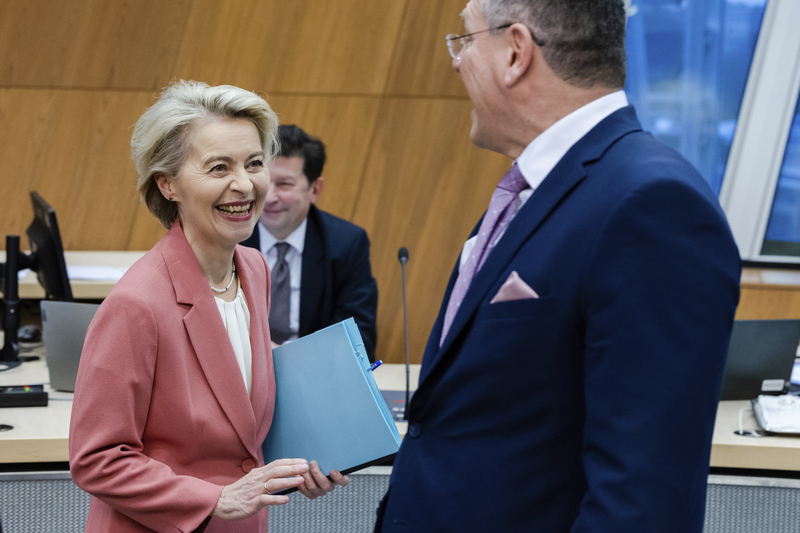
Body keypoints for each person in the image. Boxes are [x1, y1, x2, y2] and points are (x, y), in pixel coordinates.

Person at [375, 1, 741, 531]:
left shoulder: (652, 204)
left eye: (466, 39)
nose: (456, 62)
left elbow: (641, 498)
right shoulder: (540, 189)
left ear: (516, 52)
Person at [69, 80, 348, 532]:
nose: (244, 184)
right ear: (167, 184)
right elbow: (96, 459)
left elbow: (239, 417)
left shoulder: (253, 269)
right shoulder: (136, 305)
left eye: (254, 163)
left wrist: (308, 461)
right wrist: (215, 498)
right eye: (219, 167)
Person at [240, 125, 378, 361]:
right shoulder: (229, 238)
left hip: (313, 369)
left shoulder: (346, 244)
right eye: (264, 181)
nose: (269, 197)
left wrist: (286, 359)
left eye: (284, 184)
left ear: (315, 189)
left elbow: (359, 338)